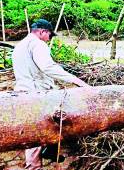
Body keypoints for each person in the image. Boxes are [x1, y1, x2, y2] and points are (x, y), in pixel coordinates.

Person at [12, 19, 92, 170]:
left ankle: (49, 149)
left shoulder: (20, 45)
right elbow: (47, 67)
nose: (50, 39)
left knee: (43, 125)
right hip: (36, 93)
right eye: (50, 35)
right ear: (42, 32)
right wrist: (75, 80)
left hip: (23, 91)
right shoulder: (38, 44)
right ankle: (34, 165)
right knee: (36, 132)